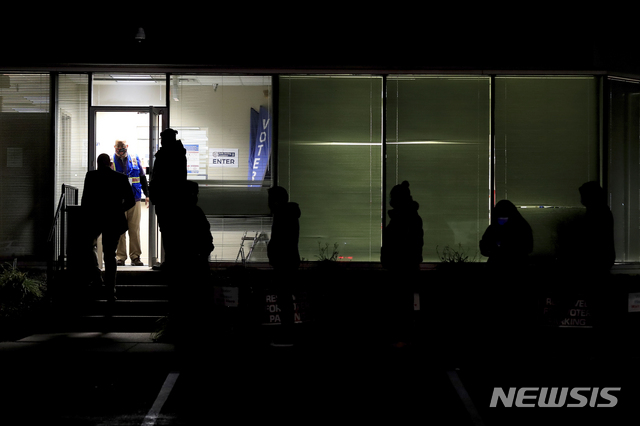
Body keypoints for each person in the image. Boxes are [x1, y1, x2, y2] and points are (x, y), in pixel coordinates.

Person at [81, 153, 135, 301]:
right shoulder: (120, 178)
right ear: (110, 163)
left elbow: (85, 201)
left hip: (95, 219)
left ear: (98, 163)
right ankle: (111, 291)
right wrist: (118, 209)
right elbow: (131, 201)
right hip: (113, 220)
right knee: (110, 255)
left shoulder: (91, 176)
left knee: (87, 247)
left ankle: (97, 277)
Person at [380, 181, 423, 348]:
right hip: (404, 270)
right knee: (404, 307)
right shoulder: (408, 218)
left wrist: (392, 261)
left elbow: (401, 246)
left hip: (402, 271)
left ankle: (403, 339)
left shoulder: (404, 219)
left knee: (402, 307)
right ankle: (404, 338)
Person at [267, 186, 301, 346]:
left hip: (284, 265)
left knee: (285, 302)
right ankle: (289, 333)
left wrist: (274, 255)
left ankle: (287, 335)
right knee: (286, 301)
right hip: (287, 263)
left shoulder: (283, 216)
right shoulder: (288, 215)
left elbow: (281, 242)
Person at [149, 128, 187, 269]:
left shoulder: (169, 154)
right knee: (170, 233)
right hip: (170, 199)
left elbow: (162, 178)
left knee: (169, 233)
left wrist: (155, 194)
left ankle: (170, 263)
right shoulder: (176, 153)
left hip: (167, 200)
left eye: (163, 139)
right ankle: (171, 262)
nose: (161, 142)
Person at [112, 140, 149, 266]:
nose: (121, 150)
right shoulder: (111, 161)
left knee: (134, 229)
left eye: (123, 148)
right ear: (114, 147)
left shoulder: (135, 159)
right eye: (118, 148)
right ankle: (120, 257)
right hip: (118, 201)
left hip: (135, 198)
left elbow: (142, 178)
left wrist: (147, 195)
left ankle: (135, 257)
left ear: (127, 146)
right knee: (120, 230)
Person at [479, 199, 533, 267]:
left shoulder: (494, 228)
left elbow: (484, 248)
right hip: (519, 263)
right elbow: (528, 248)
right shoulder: (523, 227)